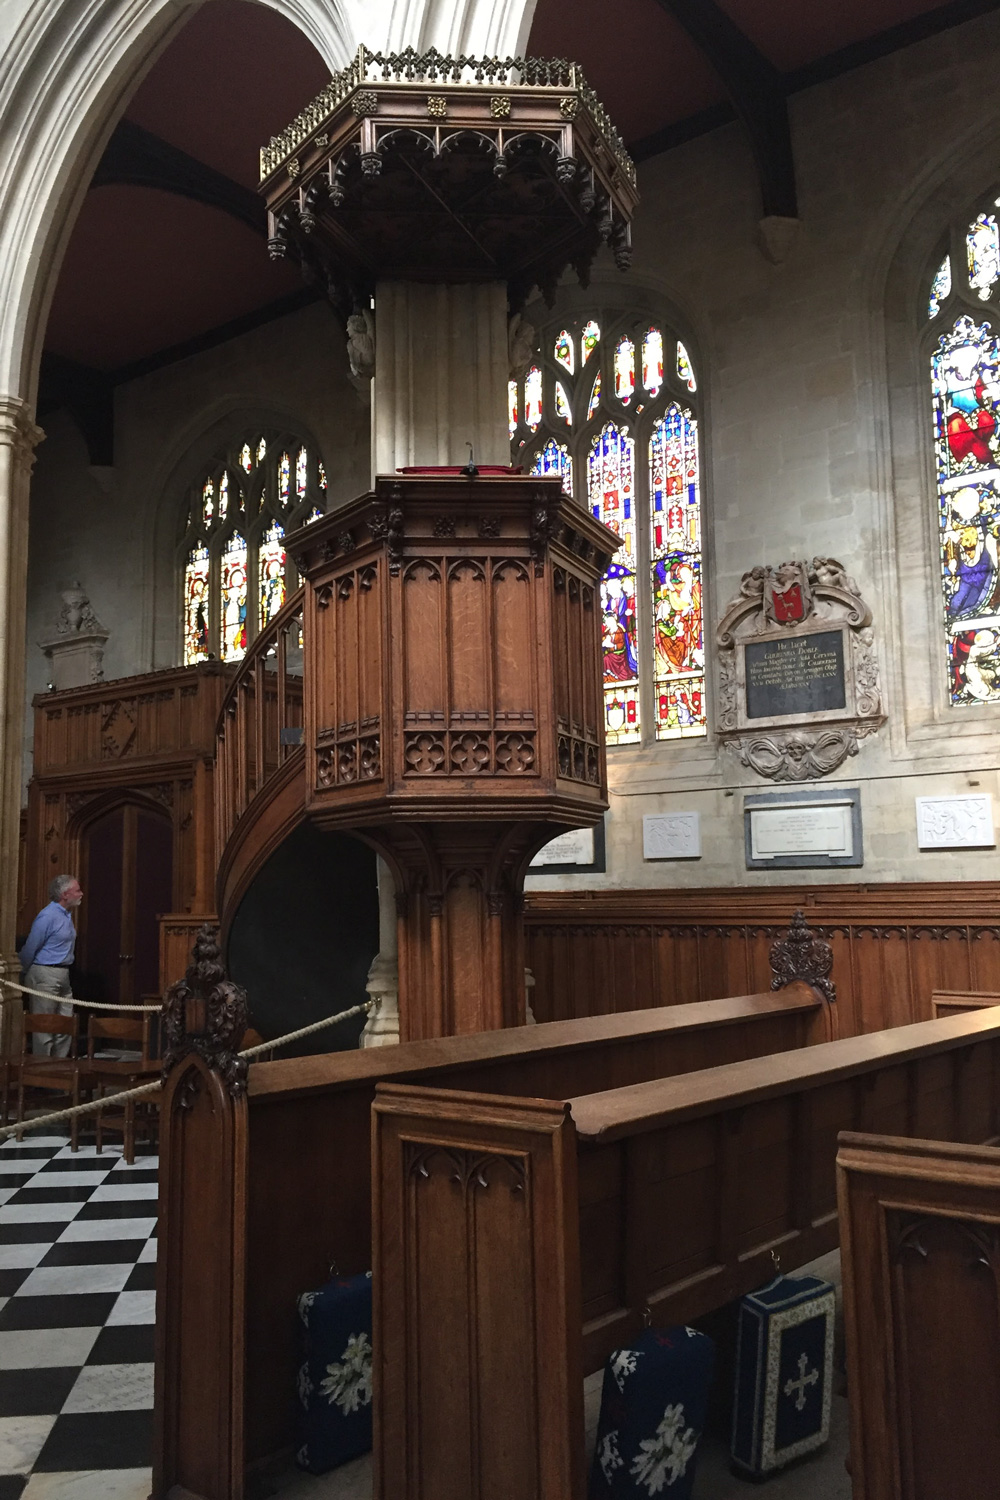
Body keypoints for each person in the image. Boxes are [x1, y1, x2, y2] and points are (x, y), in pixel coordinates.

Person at [18, 873, 83, 1057]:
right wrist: (21, 973)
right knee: (44, 1025)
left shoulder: (66, 915)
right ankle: (42, 1071)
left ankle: (58, 1069)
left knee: (65, 1024)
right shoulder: (47, 916)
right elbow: (31, 947)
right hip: (45, 973)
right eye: (77, 890)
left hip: (63, 974)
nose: (81, 894)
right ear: (65, 895)